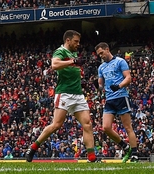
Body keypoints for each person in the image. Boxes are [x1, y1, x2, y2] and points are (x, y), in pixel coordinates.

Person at [26, 30, 99, 163]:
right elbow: (54, 65)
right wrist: (73, 61)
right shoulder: (60, 52)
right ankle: (33, 148)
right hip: (64, 93)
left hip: (78, 94)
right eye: (76, 41)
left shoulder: (73, 53)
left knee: (87, 124)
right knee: (56, 125)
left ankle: (92, 158)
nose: (78, 44)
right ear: (68, 40)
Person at [96, 42, 138, 163]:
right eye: (99, 55)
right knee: (106, 127)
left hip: (121, 97)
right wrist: (96, 85)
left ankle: (134, 154)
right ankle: (125, 146)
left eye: (102, 53)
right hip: (109, 99)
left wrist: (119, 86)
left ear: (107, 49)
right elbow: (100, 85)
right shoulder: (101, 67)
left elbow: (128, 78)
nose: (101, 56)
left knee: (127, 127)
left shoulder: (120, 61)